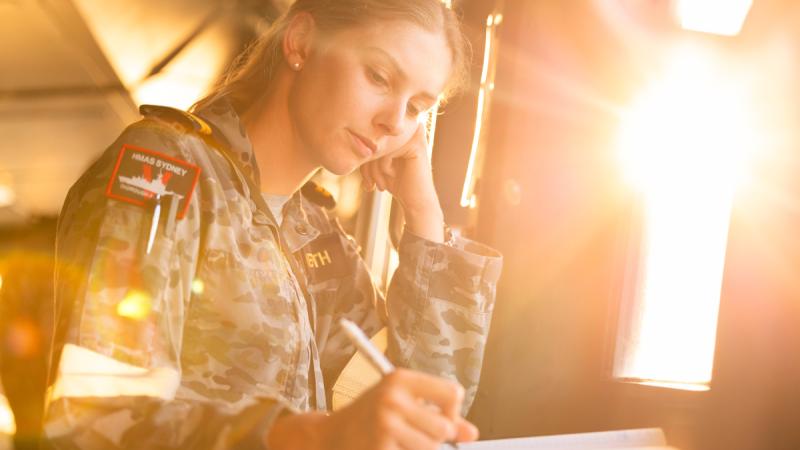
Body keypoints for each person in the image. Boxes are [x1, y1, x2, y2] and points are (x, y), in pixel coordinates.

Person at [45, 1, 503, 449]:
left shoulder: (316, 232)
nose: (393, 123)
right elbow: (92, 424)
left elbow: (425, 418)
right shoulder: (166, 171)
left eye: (417, 108)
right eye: (379, 77)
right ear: (301, 41)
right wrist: (308, 438)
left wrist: (424, 216)